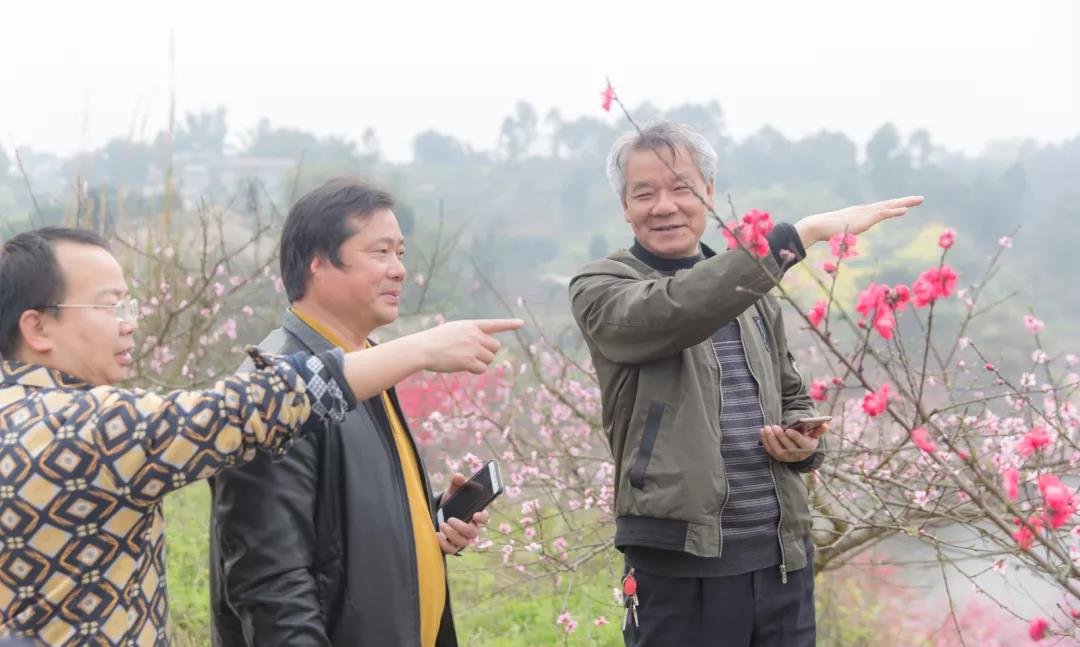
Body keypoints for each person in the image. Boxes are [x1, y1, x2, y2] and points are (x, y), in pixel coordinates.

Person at [0, 226, 520, 646]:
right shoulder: (89, 427)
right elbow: (258, 407)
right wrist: (422, 349)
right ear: (38, 328)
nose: (129, 325)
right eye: (111, 306)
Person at [568, 119, 923, 647]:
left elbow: (790, 392)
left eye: (681, 188)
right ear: (625, 205)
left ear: (707, 193)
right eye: (644, 193)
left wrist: (803, 444)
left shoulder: (752, 290)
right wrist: (793, 239)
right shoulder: (602, 287)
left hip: (781, 557)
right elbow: (678, 308)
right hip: (679, 562)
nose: (664, 205)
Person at [209, 178, 488, 646]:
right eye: (380, 252)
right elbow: (270, 583)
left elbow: (336, 529)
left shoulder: (367, 364)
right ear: (318, 263)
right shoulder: (276, 388)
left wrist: (425, 519)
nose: (399, 270)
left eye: (400, 253)